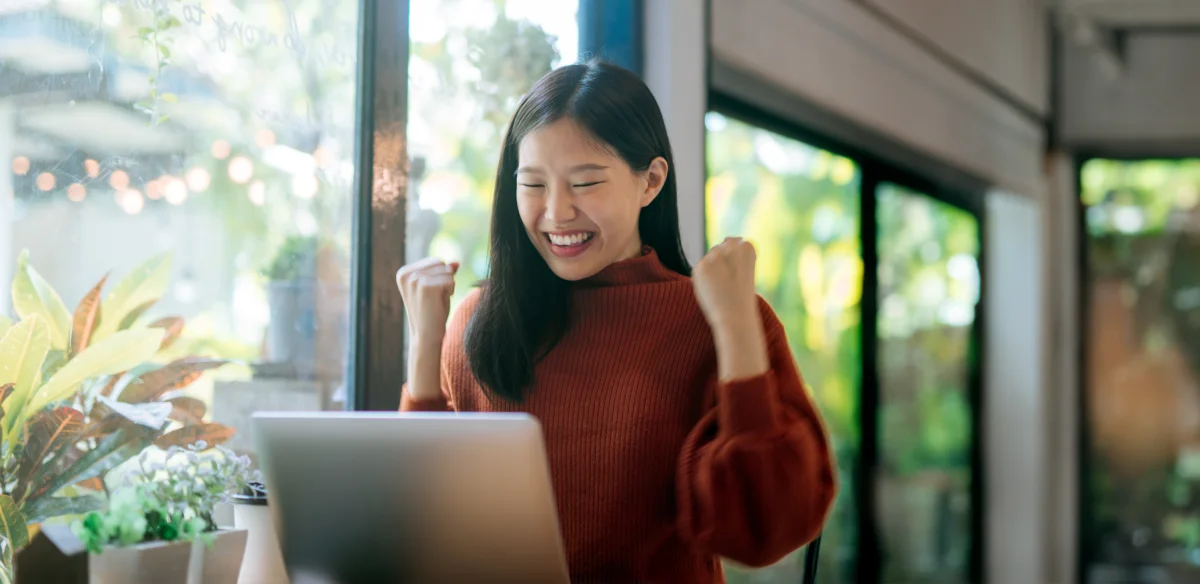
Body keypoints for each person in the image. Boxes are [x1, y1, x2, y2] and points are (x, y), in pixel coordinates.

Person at [397, 60, 836, 583]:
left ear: (650, 182)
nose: (556, 213)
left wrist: (737, 329)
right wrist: (426, 346)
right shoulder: (479, 321)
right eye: (533, 184)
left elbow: (767, 531)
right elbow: (418, 528)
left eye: (585, 182)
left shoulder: (715, 318)